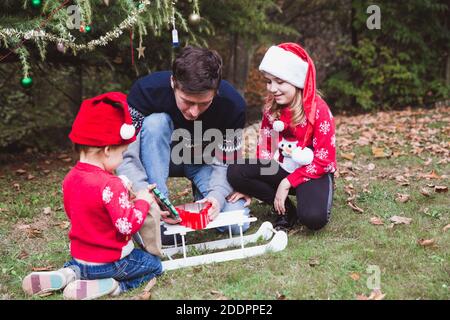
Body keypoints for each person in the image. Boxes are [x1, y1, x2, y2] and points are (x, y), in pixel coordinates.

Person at [22, 92, 163, 300]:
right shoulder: (111, 184)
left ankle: (68, 274)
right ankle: (114, 287)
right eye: (122, 153)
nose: (123, 159)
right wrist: (142, 201)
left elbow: (79, 212)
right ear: (107, 150)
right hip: (111, 262)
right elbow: (127, 225)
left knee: (81, 266)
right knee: (154, 266)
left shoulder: (70, 177)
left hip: (80, 257)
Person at [117, 46, 250, 241]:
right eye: (187, 101)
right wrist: (142, 193)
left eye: (204, 103)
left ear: (216, 90)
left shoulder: (233, 106)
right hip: (159, 158)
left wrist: (216, 196)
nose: (194, 112)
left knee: (237, 223)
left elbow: (227, 161)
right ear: (173, 83)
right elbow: (125, 153)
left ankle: (202, 195)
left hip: (203, 162)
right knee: (155, 123)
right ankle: (158, 205)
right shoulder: (146, 91)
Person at [227, 43, 337, 231]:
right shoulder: (271, 109)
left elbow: (325, 159)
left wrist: (287, 183)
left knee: (313, 219)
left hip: (311, 172)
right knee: (236, 172)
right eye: (269, 81)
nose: (273, 88)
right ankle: (285, 210)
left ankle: (309, 197)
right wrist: (251, 185)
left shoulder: (318, 110)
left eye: (280, 81)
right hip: (283, 165)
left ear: (296, 81)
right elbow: (266, 149)